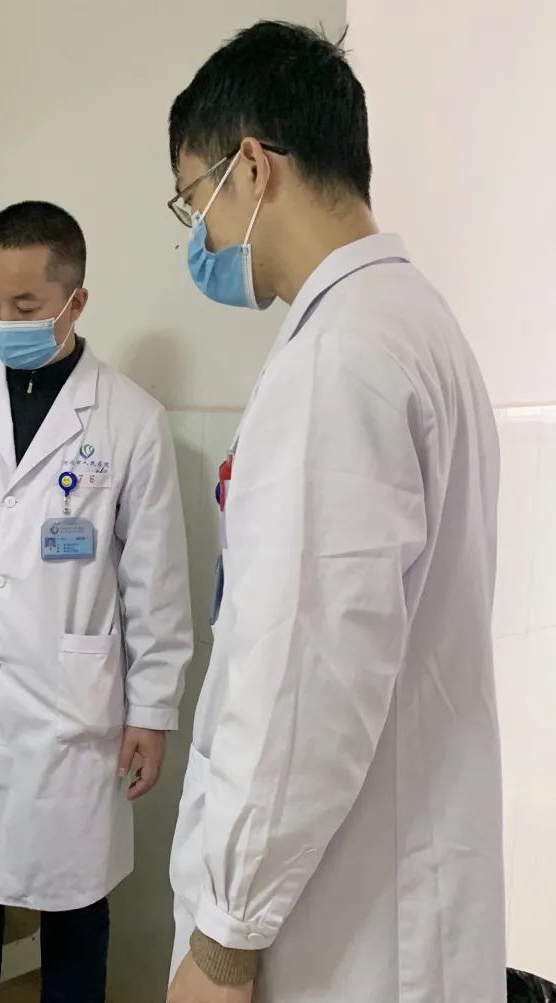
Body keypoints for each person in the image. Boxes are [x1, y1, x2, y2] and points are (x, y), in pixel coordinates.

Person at [164, 21, 503, 1003]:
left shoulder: (337, 359)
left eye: (195, 201)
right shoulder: (415, 322)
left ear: (253, 168)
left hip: (338, 925)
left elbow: (305, 682)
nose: (200, 240)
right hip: (399, 884)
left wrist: (224, 942)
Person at [0, 201, 194, 1003]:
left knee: (76, 911)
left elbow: (155, 583)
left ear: (75, 300)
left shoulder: (130, 420)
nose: (4, 321)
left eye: (24, 305)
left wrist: (153, 710)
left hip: (69, 717)